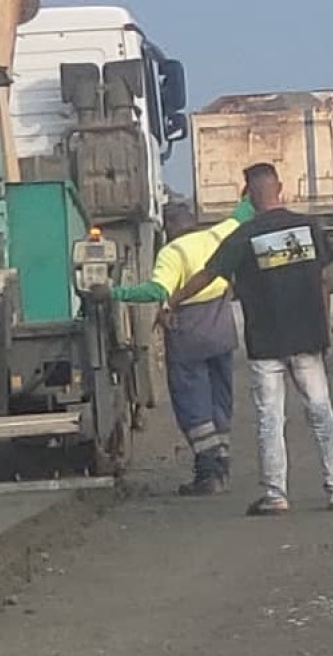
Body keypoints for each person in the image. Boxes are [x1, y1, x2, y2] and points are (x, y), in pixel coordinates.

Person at [165, 162, 333, 516]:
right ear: (280, 188)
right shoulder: (308, 227)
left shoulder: (243, 236)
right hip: (307, 337)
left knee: (270, 418)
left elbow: (209, 274)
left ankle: (276, 495)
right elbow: (324, 280)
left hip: (266, 343)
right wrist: (322, 328)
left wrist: (172, 301)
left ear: (247, 194)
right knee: (321, 412)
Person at [97, 198, 254, 495]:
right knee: (220, 400)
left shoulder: (172, 252)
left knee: (193, 405)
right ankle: (221, 464)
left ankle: (208, 473)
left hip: (189, 337)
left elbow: (156, 291)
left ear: (167, 227)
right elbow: (244, 212)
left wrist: (112, 292)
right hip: (222, 334)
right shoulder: (217, 235)